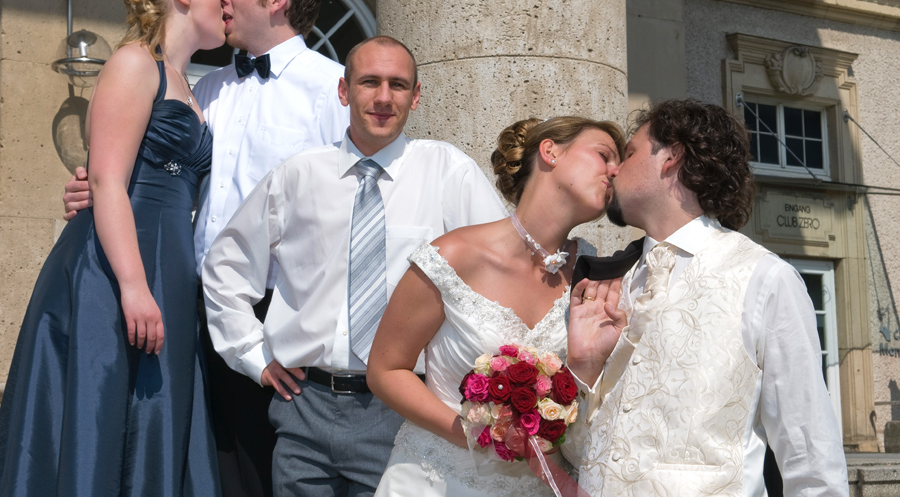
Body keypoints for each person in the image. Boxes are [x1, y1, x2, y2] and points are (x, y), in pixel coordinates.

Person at [63, 0, 349, 497]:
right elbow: (141, 164)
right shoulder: (208, 87)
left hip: (283, 312)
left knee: (280, 473)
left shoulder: (330, 89)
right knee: (205, 466)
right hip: (195, 301)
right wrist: (91, 185)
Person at [202, 36, 509, 497]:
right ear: (344, 91)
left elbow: (501, 272)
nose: (383, 98)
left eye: (398, 85)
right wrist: (253, 355)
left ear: (416, 95)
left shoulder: (448, 172)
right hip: (305, 407)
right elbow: (225, 266)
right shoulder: (298, 175)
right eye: (369, 82)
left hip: (403, 410)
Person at [0, 0, 225, 496]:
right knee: (98, 406)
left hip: (166, 265)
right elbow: (105, 179)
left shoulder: (189, 83)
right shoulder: (132, 62)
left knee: (153, 412)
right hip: (115, 267)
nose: (223, 0)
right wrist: (131, 285)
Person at [567, 99, 849, 496]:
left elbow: (812, 459)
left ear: (672, 156)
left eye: (629, 154)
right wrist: (584, 366)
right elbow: (584, 454)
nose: (614, 168)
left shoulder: (765, 278)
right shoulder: (618, 284)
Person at [366, 115, 627, 497]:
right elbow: (385, 370)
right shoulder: (453, 255)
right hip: (435, 482)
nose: (615, 171)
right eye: (604, 155)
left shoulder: (592, 275)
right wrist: (477, 434)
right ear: (550, 151)